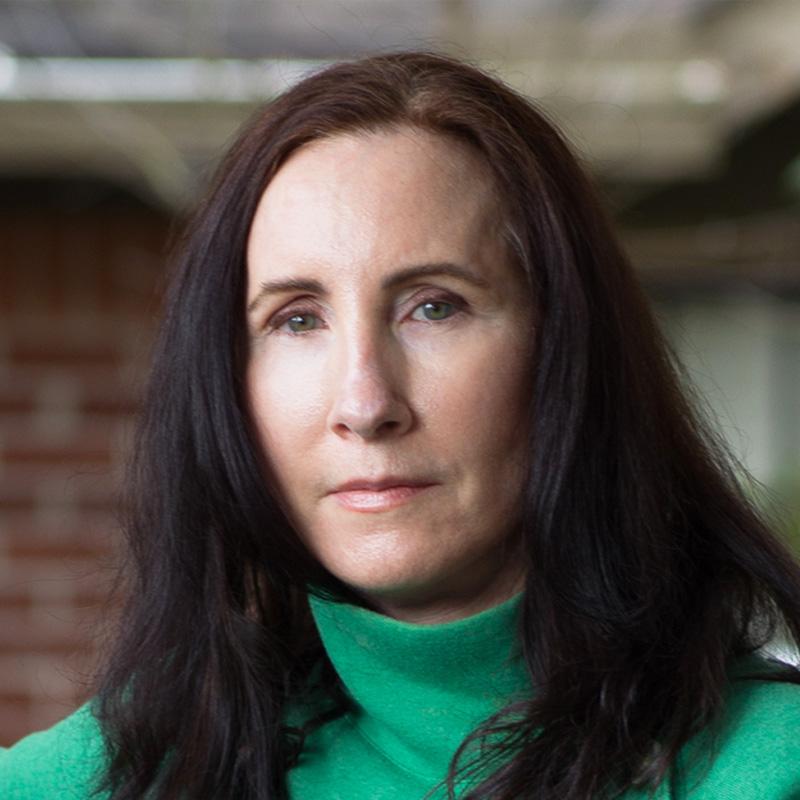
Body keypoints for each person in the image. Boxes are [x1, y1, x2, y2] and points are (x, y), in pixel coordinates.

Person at [2, 50, 800, 800]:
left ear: (568, 346)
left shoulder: (767, 765)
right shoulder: (115, 774)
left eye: (433, 306)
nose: (364, 403)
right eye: (296, 319)